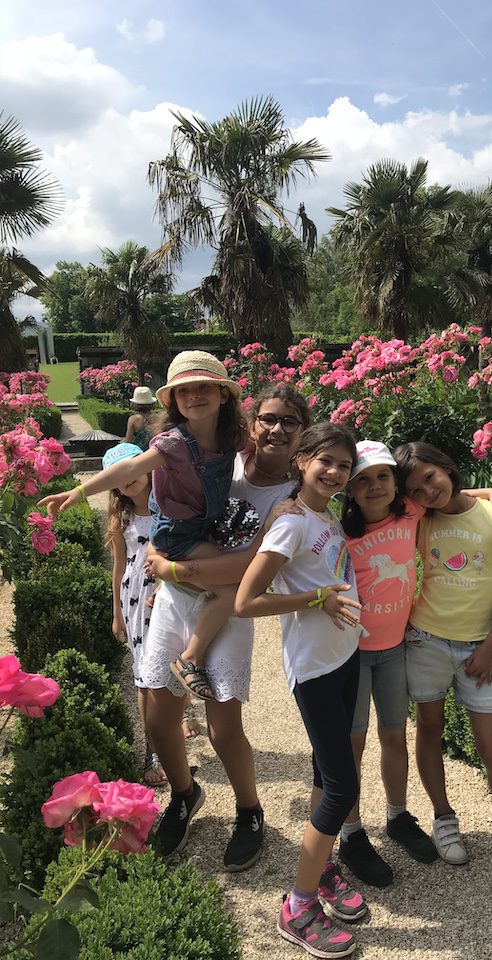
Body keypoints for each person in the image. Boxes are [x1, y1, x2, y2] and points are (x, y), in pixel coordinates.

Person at [140, 385, 310, 868]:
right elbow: (165, 497)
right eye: (268, 419)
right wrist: (159, 552)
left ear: (302, 433)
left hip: (228, 610)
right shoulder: (224, 459)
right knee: (157, 714)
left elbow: (251, 568)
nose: (276, 430)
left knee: (222, 728)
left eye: (289, 422)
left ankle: (249, 810)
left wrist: (173, 567)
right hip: (175, 602)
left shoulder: (295, 497)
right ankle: (183, 792)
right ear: (252, 424)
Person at [338, 440, 492, 886]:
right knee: (362, 743)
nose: (376, 487)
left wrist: (491, 491)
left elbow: (451, 495)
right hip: (376, 650)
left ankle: (407, 817)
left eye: (384, 477)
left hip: (410, 646)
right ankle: (365, 829)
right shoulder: (356, 528)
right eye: (363, 480)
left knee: (402, 735)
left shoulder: (419, 513)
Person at [39, 351, 246, 703]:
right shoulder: (174, 443)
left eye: (203, 388)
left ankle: (168, 589)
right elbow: (129, 469)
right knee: (232, 588)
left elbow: (259, 452)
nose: (194, 395)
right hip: (178, 535)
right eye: (184, 391)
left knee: (222, 580)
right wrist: (78, 490)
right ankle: (190, 658)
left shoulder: (232, 437)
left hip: (203, 529)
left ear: (223, 394)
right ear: (174, 401)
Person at [235, 423, 366, 959]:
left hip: (344, 656)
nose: (334, 472)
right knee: (342, 786)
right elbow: (246, 600)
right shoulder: (289, 526)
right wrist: (315, 600)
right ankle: (298, 904)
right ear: (301, 461)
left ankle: (323, 862)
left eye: (342, 464)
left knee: (322, 771)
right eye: (325, 461)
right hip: (313, 668)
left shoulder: (323, 513)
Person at [393, 441, 492, 880]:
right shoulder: (420, 520)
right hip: (426, 642)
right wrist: (489, 488)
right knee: (430, 731)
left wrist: (490, 648)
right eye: (416, 488)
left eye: (430, 477)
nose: (427, 490)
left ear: (447, 468)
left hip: (480, 649)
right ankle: (443, 817)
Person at [104, 441, 166, 786]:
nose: (128, 479)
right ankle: (152, 750)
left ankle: (177, 722)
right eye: (119, 475)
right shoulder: (122, 516)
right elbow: (118, 567)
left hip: (168, 594)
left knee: (170, 667)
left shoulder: (168, 507)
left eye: (132, 468)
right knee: (144, 676)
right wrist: (116, 612)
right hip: (134, 600)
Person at [124, 385, 157, 451]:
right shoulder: (157, 417)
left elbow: (128, 441)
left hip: (139, 453)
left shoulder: (133, 419)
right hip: (154, 452)